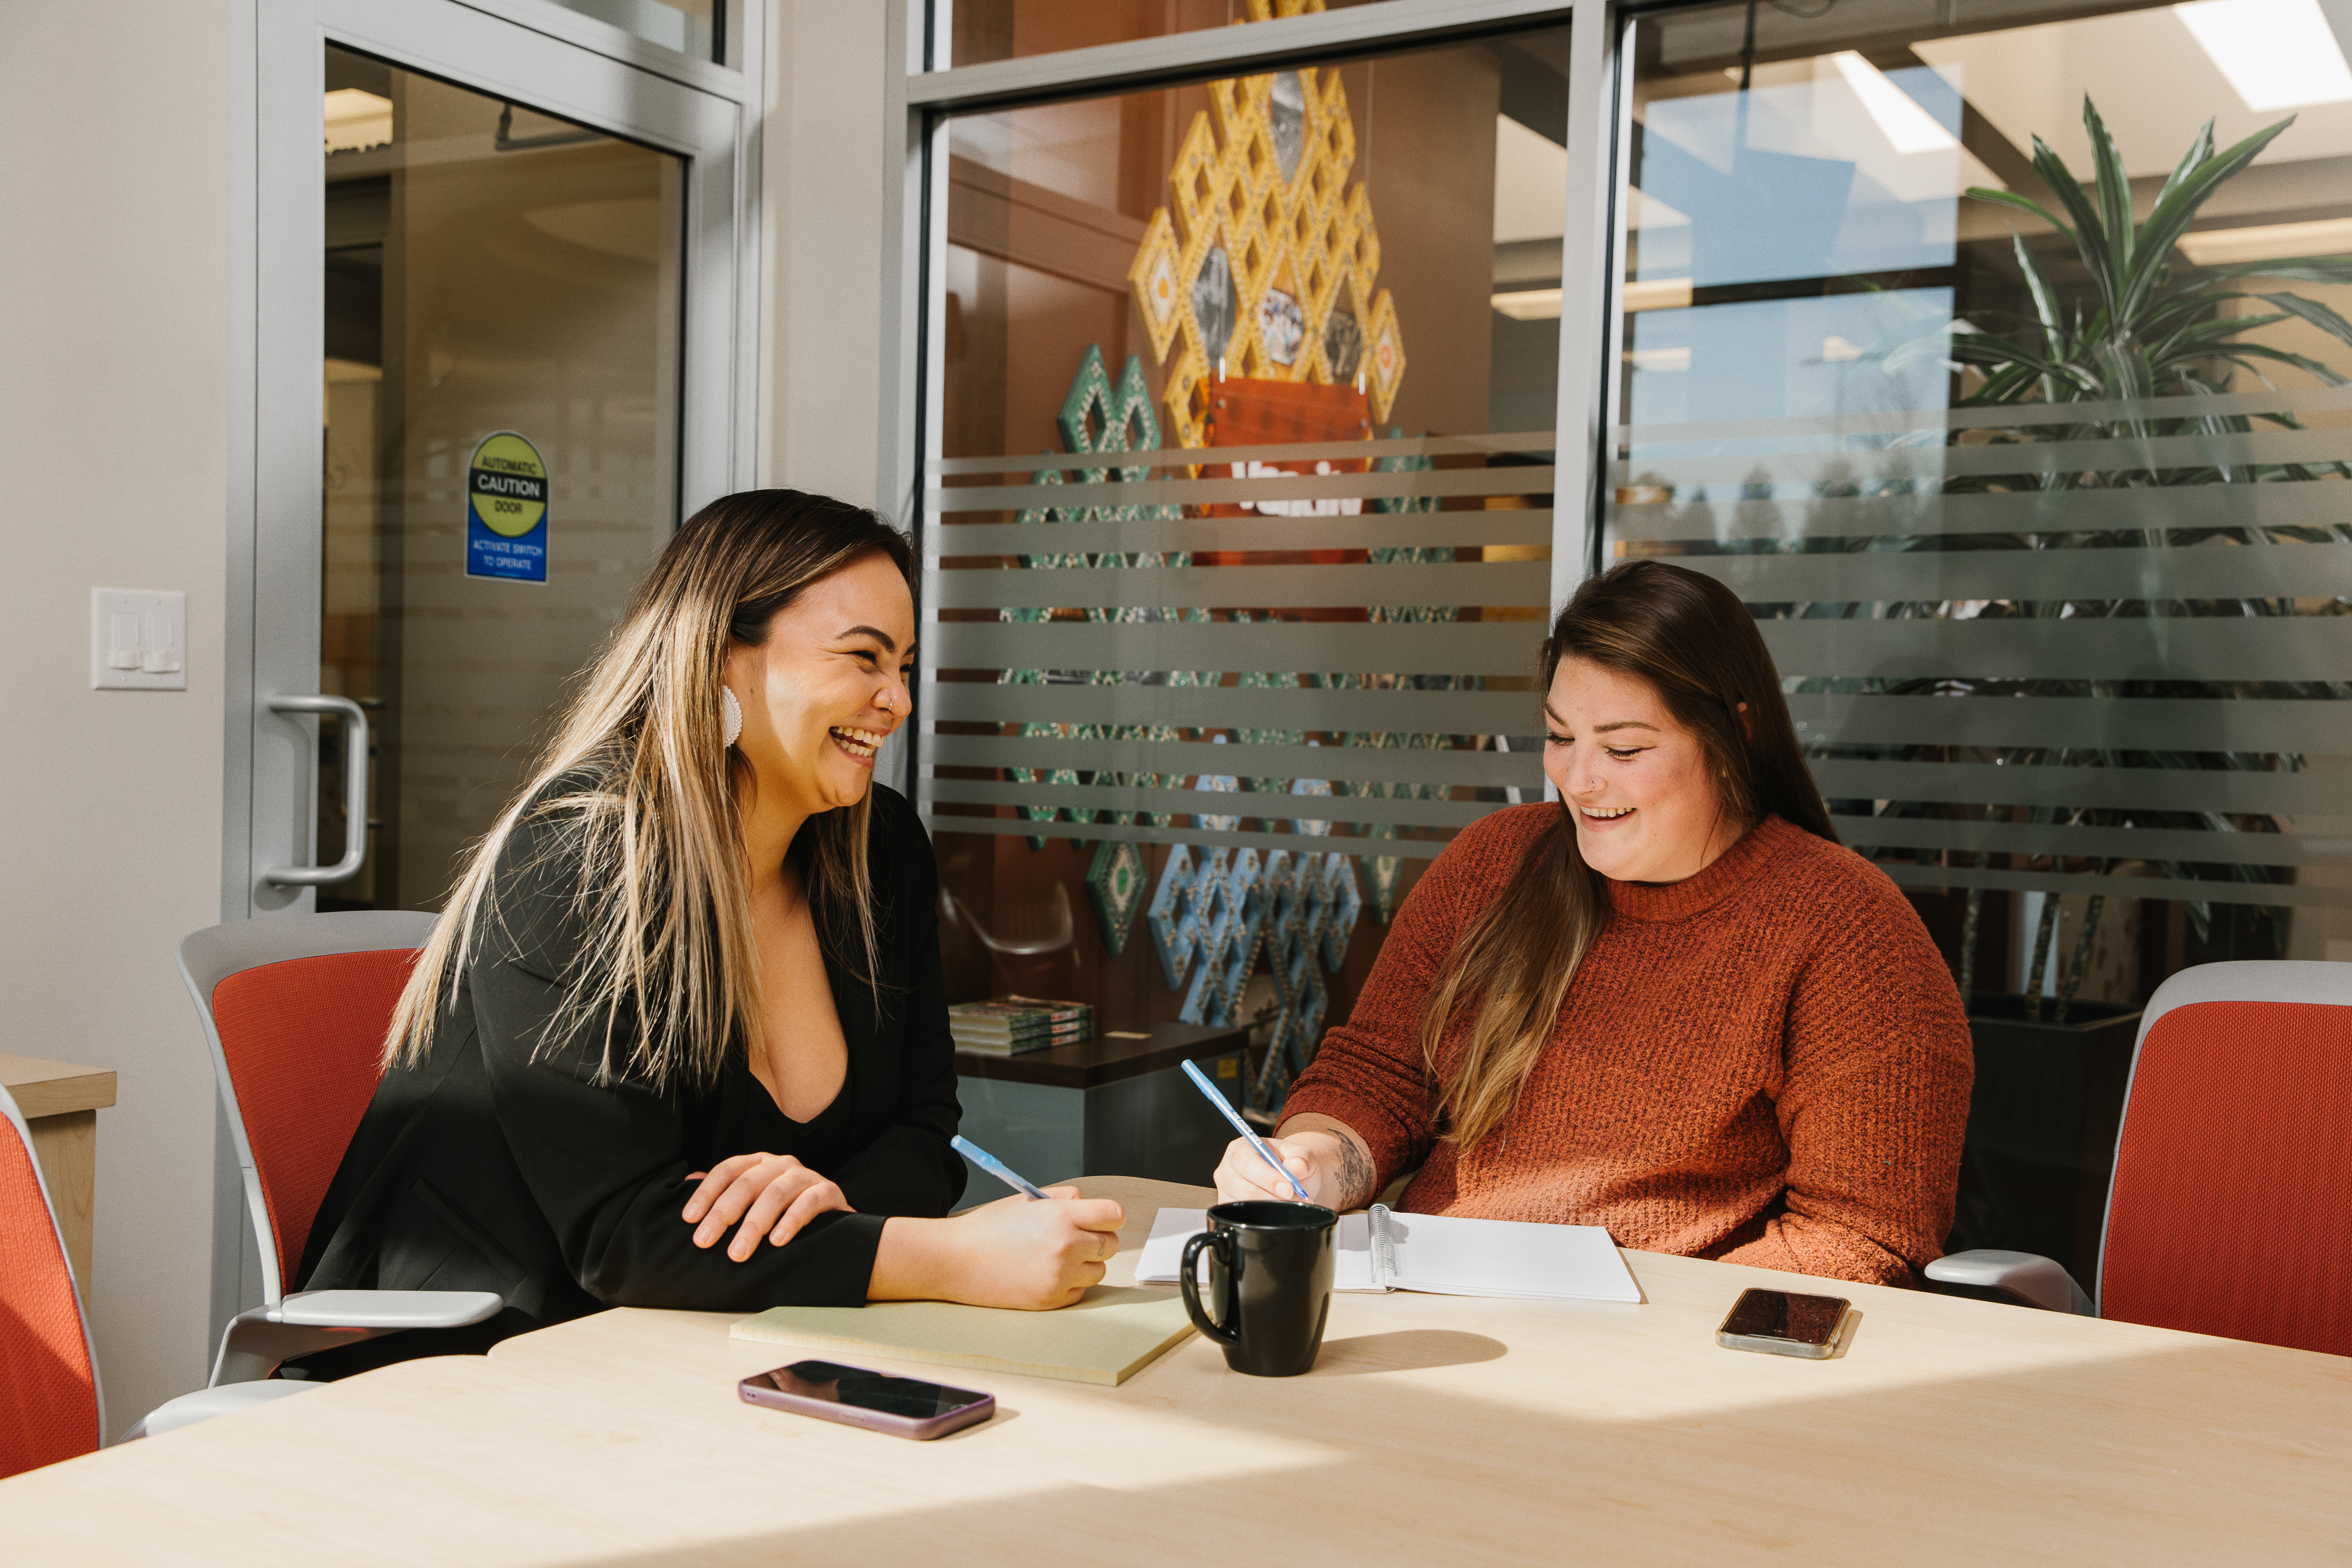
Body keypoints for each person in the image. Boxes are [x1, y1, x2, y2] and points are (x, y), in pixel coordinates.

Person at [296, 490, 1122, 1364]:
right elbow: (625, 1233)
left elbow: (924, 1133)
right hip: (471, 1363)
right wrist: (949, 1257)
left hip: (713, 1348)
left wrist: (818, 1201)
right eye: (863, 659)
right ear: (725, 660)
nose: (896, 700)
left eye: (906, 666)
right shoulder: (579, 858)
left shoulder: (883, 853)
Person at [1214, 560, 1972, 1286]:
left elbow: (1862, 1240)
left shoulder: (1849, 932)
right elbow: (1378, 1078)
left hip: (1658, 1362)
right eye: (1559, 736)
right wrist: (1313, 1162)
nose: (1578, 779)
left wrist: (1638, 1327)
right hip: (1425, 1300)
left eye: (1623, 747)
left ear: (1732, 735)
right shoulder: (1495, 862)